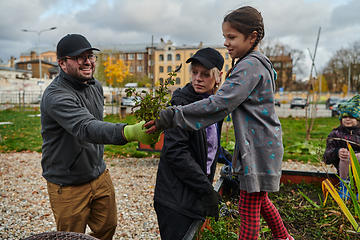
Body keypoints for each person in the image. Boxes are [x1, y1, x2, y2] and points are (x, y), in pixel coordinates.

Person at [145, 6, 293, 240]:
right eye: (225, 36)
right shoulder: (259, 63)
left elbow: (219, 105)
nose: (226, 42)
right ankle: (284, 237)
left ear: (252, 37)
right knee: (260, 200)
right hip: (263, 146)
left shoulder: (249, 66)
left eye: (231, 37)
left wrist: (172, 116)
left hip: (257, 150)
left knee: (248, 207)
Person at [40, 34, 160, 240]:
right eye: (79, 57)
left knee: (108, 227)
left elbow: (96, 123)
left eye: (90, 56)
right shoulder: (56, 96)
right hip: (67, 183)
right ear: (62, 63)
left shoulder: (94, 86)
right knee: (72, 237)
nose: (87, 61)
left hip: (98, 174)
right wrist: (129, 132)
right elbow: (87, 127)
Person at [153, 47, 232, 240]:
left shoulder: (213, 104)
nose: (198, 78)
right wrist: (207, 191)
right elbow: (175, 153)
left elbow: (208, 143)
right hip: (175, 199)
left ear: (218, 76)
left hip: (194, 192)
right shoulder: (180, 105)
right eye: (195, 72)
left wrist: (230, 160)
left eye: (205, 74)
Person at [323, 95, 360, 200]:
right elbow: (326, 157)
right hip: (345, 171)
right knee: (346, 156)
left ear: (358, 118)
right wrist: (337, 152)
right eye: (344, 117)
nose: (347, 119)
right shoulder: (335, 134)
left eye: (351, 117)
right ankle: (344, 188)